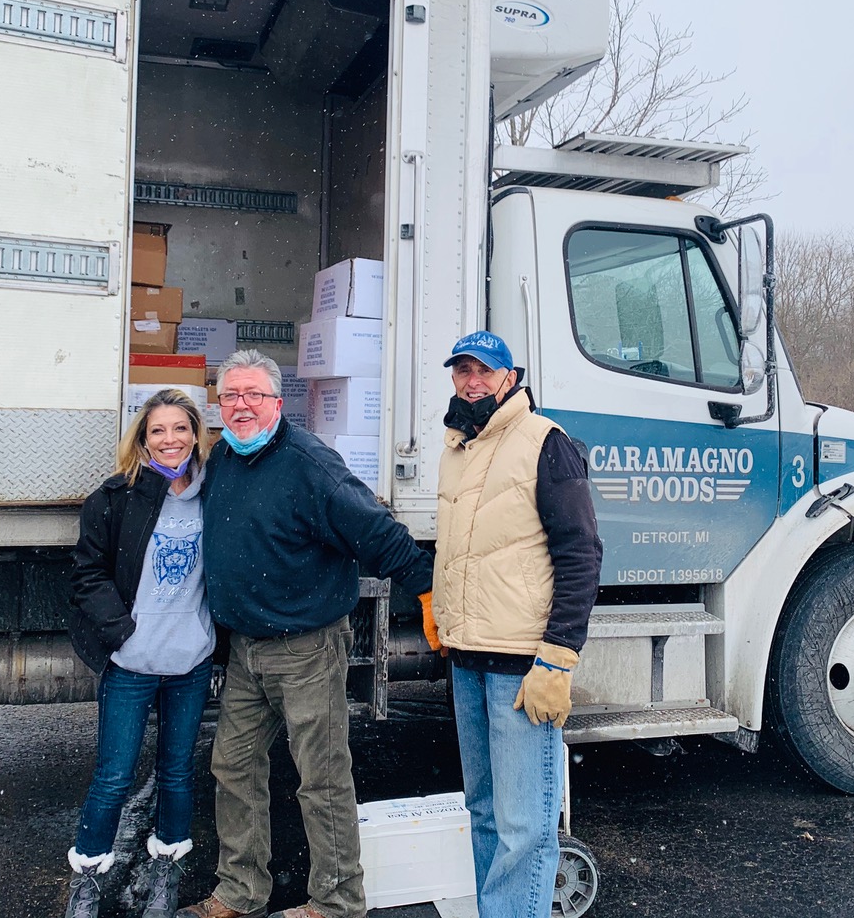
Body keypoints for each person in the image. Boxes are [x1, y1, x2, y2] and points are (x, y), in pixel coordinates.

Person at [177, 349, 437, 918]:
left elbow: (378, 533)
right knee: (234, 766)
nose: (240, 406)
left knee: (320, 779)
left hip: (308, 649)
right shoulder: (222, 457)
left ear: (277, 401)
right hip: (247, 650)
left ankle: (337, 902)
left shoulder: (310, 464)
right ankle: (241, 892)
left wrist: (428, 593)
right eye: (229, 397)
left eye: (253, 395)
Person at [432, 330, 602, 918]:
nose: (471, 381)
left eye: (484, 371)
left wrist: (558, 656)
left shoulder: (544, 442)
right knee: (482, 810)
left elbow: (581, 554)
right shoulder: (458, 446)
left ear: (510, 378)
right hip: (468, 658)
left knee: (524, 823)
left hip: (522, 665)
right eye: (462, 371)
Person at [65, 389, 215, 918]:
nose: (170, 439)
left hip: (190, 665)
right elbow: (88, 573)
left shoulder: (214, 495)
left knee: (177, 774)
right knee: (113, 776)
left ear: (196, 434)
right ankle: (87, 878)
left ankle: (166, 874)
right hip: (131, 664)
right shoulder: (115, 497)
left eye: (180, 429)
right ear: (142, 438)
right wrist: (120, 632)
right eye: (158, 430)